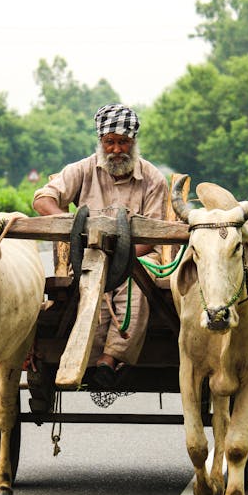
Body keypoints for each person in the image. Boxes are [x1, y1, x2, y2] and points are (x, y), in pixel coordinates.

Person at [33, 103, 168, 388]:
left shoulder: (153, 178)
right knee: (90, 287)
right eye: (110, 142)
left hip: (139, 258)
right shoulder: (82, 170)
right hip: (88, 258)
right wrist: (73, 226)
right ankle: (92, 358)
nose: (116, 149)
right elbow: (42, 200)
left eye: (123, 142)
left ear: (133, 143)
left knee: (135, 288)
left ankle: (110, 357)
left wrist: (122, 259)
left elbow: (154, 233)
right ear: (101, 143)